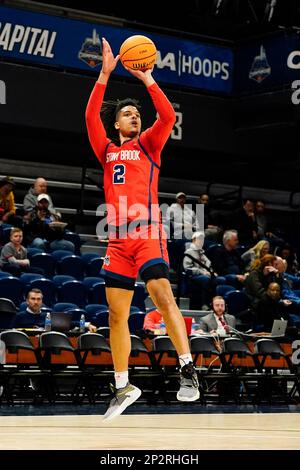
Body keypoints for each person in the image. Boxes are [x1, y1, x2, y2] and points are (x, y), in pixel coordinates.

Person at [85, 37, 199, 420]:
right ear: (115, 123)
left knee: (161, 295)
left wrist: (148, 80)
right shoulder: (107, 150)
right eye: (128, 114)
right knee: (117, 316)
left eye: (137, 113)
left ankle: (187, 370)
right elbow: (89, 119)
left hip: (147, 231)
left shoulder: (150, 143)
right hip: (117, 240)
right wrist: (104, 74)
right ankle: (122, 386)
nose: (135, 116)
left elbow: (166, 117)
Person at [16, 288, 98, 332]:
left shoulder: (48, 316)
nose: (36, 302)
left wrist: (87, 325)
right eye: (33, 299)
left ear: (42, 301)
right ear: (27, 301)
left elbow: (70, 324)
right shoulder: (19, 316)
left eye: (38, 299)